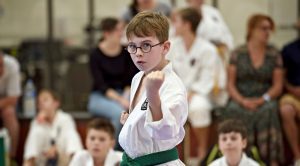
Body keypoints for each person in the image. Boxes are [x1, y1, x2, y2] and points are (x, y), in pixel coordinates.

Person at [119, 11, 188, 165]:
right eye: (132, 46)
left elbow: (165, 132)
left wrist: (152, 94)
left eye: (146, 45)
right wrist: (131, 123)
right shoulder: (138, 77)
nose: (138, 53)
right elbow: (145, 126)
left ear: (165, 47)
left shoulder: (172, 86)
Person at [168, 7, 227, 161]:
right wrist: (179, 93)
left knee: (199, 108)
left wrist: (191, 93)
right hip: (176, 92)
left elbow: (209, 77)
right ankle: (174, 156)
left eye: (177, 21)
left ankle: (202, 151)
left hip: (200, 94)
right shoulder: (172, 46)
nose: (174, 25)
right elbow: (167, 72)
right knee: (167, 108)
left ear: (187, 25)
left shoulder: (208, 49)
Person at [224, 14, 284, 166]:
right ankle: (236, 159)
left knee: (270, 110)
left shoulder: (274, 54)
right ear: (252, 29)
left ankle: (271, 160)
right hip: (240, 97)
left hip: (265, 98)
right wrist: (242, 100)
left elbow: (278, 86)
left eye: (270, 29)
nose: (267, 32)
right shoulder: (238, 53)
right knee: (232, 109)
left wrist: (263, 99)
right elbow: (230, 85)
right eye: (263, 28)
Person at [88, 17, 138, 142]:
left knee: (137, 110)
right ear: (106, 33)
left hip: (124, 93)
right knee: (118, 113)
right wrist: (120, 100)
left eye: (122, 29)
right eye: (118, 30)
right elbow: (101, 85)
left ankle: (130, 149)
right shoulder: (95, 55)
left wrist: (126, 97)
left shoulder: (126, 52)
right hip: (100, 96)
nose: (121, 33)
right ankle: (112, 148)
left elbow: (130, 79)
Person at [23, 89, 83, 166]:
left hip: (64, 163)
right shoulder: (36, 123)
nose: (41, 104)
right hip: (42, 163)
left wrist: (57, 151)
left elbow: (74, 148)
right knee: (36, 132)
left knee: (71, 135)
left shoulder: (65, 119)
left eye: (45, 100)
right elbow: (30, 154)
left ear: (56, 103)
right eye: (39, 102)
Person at [279, 20, 300, 166]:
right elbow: (282, 78)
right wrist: (292, 89)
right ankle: (298, 157)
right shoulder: (288, 49)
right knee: (286, 110)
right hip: (293, 94)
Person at [0, 51, 21, 161]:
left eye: (1, 65)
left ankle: (11, 157)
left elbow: (13, 98)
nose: (0, 69)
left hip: (7, 103)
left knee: (9, 113)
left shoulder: (12, 64)